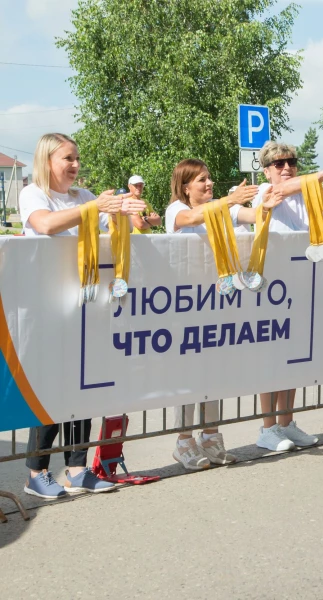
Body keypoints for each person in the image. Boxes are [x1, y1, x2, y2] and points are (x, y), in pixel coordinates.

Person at [19, 133, 146, 497]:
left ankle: (76, 468)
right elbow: (44, 225)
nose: (75, 165)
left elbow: (106, 227)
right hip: (45, 306)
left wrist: (123, 213)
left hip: (85, 303)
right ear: (47, 161)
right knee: (50, 388)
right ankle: (35, 473)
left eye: (77, 158)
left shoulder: (84, 197)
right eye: (67, 158)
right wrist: (95, 208)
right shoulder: (33, 193)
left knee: (83, 385)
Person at [165, 158, 283, 468]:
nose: (209, 184)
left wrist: (266, 206)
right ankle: (184, 441)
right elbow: (190, 219)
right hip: (186, 308)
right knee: (188, 377)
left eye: (209, 178)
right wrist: (227, 200)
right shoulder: (176, 209)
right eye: (201, 180)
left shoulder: (223, 208)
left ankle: (211, 438)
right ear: (185, 186)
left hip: (218, 305)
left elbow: (253, 215)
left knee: (213, 374)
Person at [249, 141, 323, 450]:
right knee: (268, 357)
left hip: (301, 284)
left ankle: (286, 423)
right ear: (266, 171)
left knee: (294, 356)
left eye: (291, 162)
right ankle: (267, 428)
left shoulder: (306, 195)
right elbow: (291, 187)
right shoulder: (266, 192)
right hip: (271, 286)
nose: (287, 167)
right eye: (279, 164)